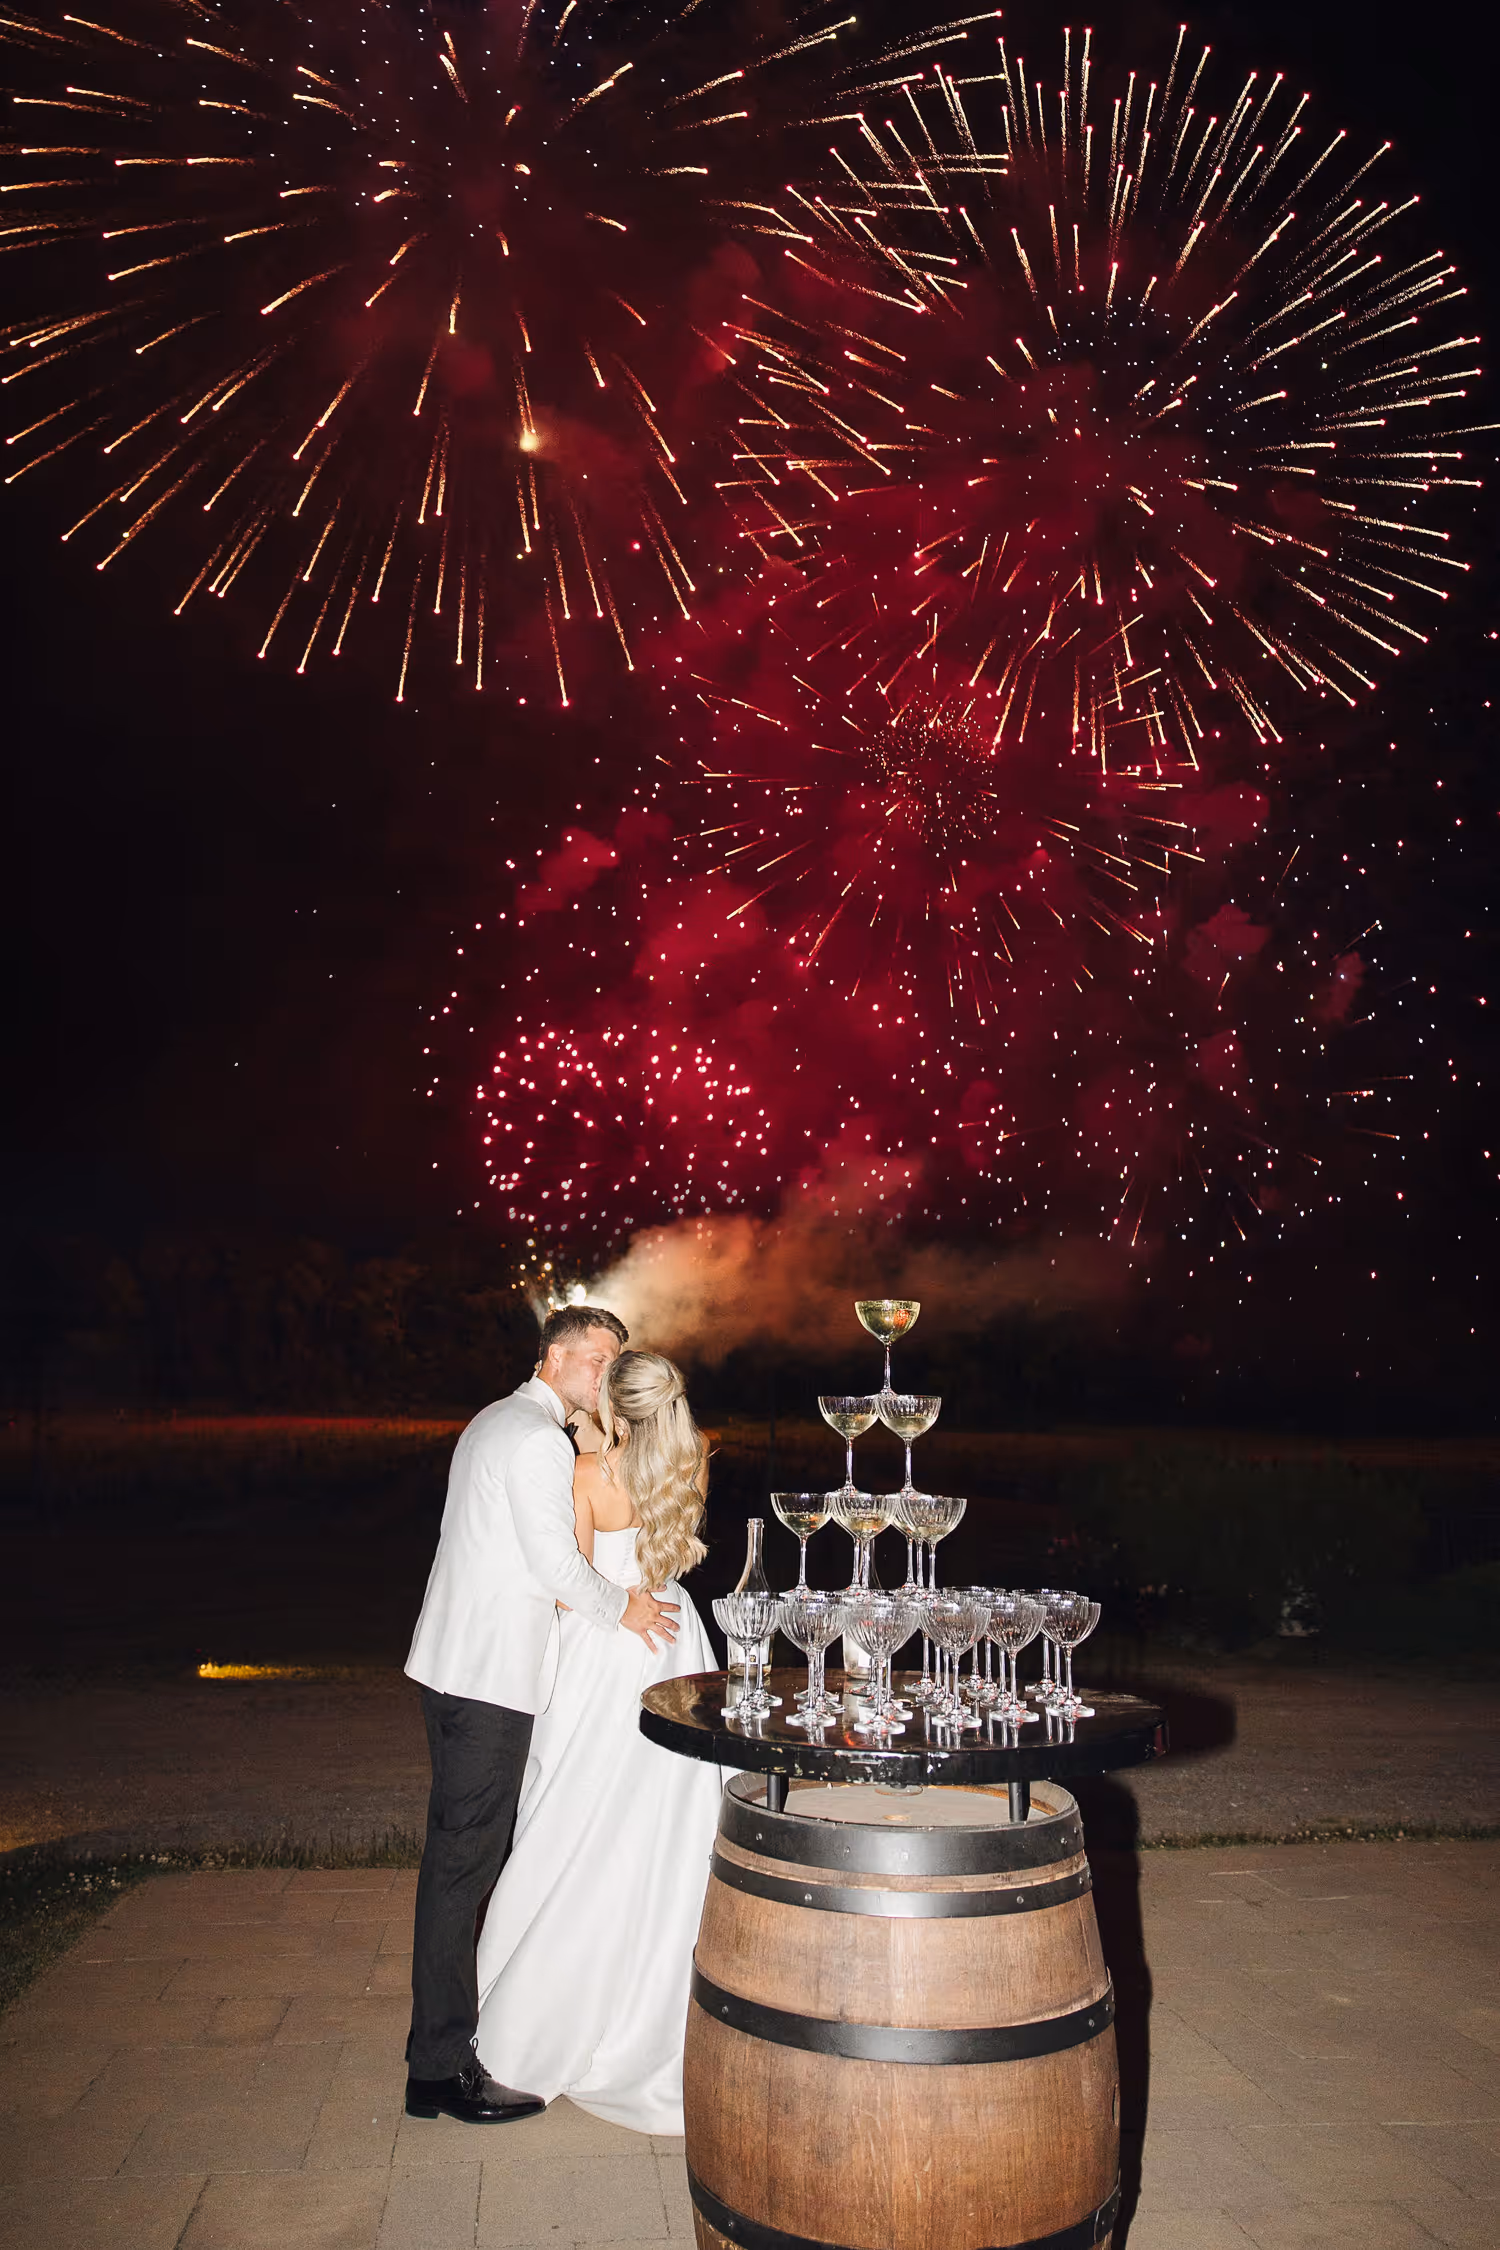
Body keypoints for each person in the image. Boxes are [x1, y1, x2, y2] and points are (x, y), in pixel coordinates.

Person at [403, 1305, 680, 2126]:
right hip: (487, 1678)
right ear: (554, 1356)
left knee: (460, 1858)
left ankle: (443, 2045)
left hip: (451, 1665)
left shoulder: (499, 1420)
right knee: (463, 1867)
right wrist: (621, 1613)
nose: (604, 1376)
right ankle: (438, 2069)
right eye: (595, 1359)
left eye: (612, 1363)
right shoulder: (534, 1440)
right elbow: (556, 1561)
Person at [473, 1349, 723, 2136]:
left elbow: (568, 1584)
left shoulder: (585, 1475)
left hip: (608, 1645)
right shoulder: (689, 1463)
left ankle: (535, 2014)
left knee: (573, 1820)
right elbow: (669, 1557)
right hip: (677, 1639)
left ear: (612, 1407)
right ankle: (658, 2012)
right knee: (663, 1832)